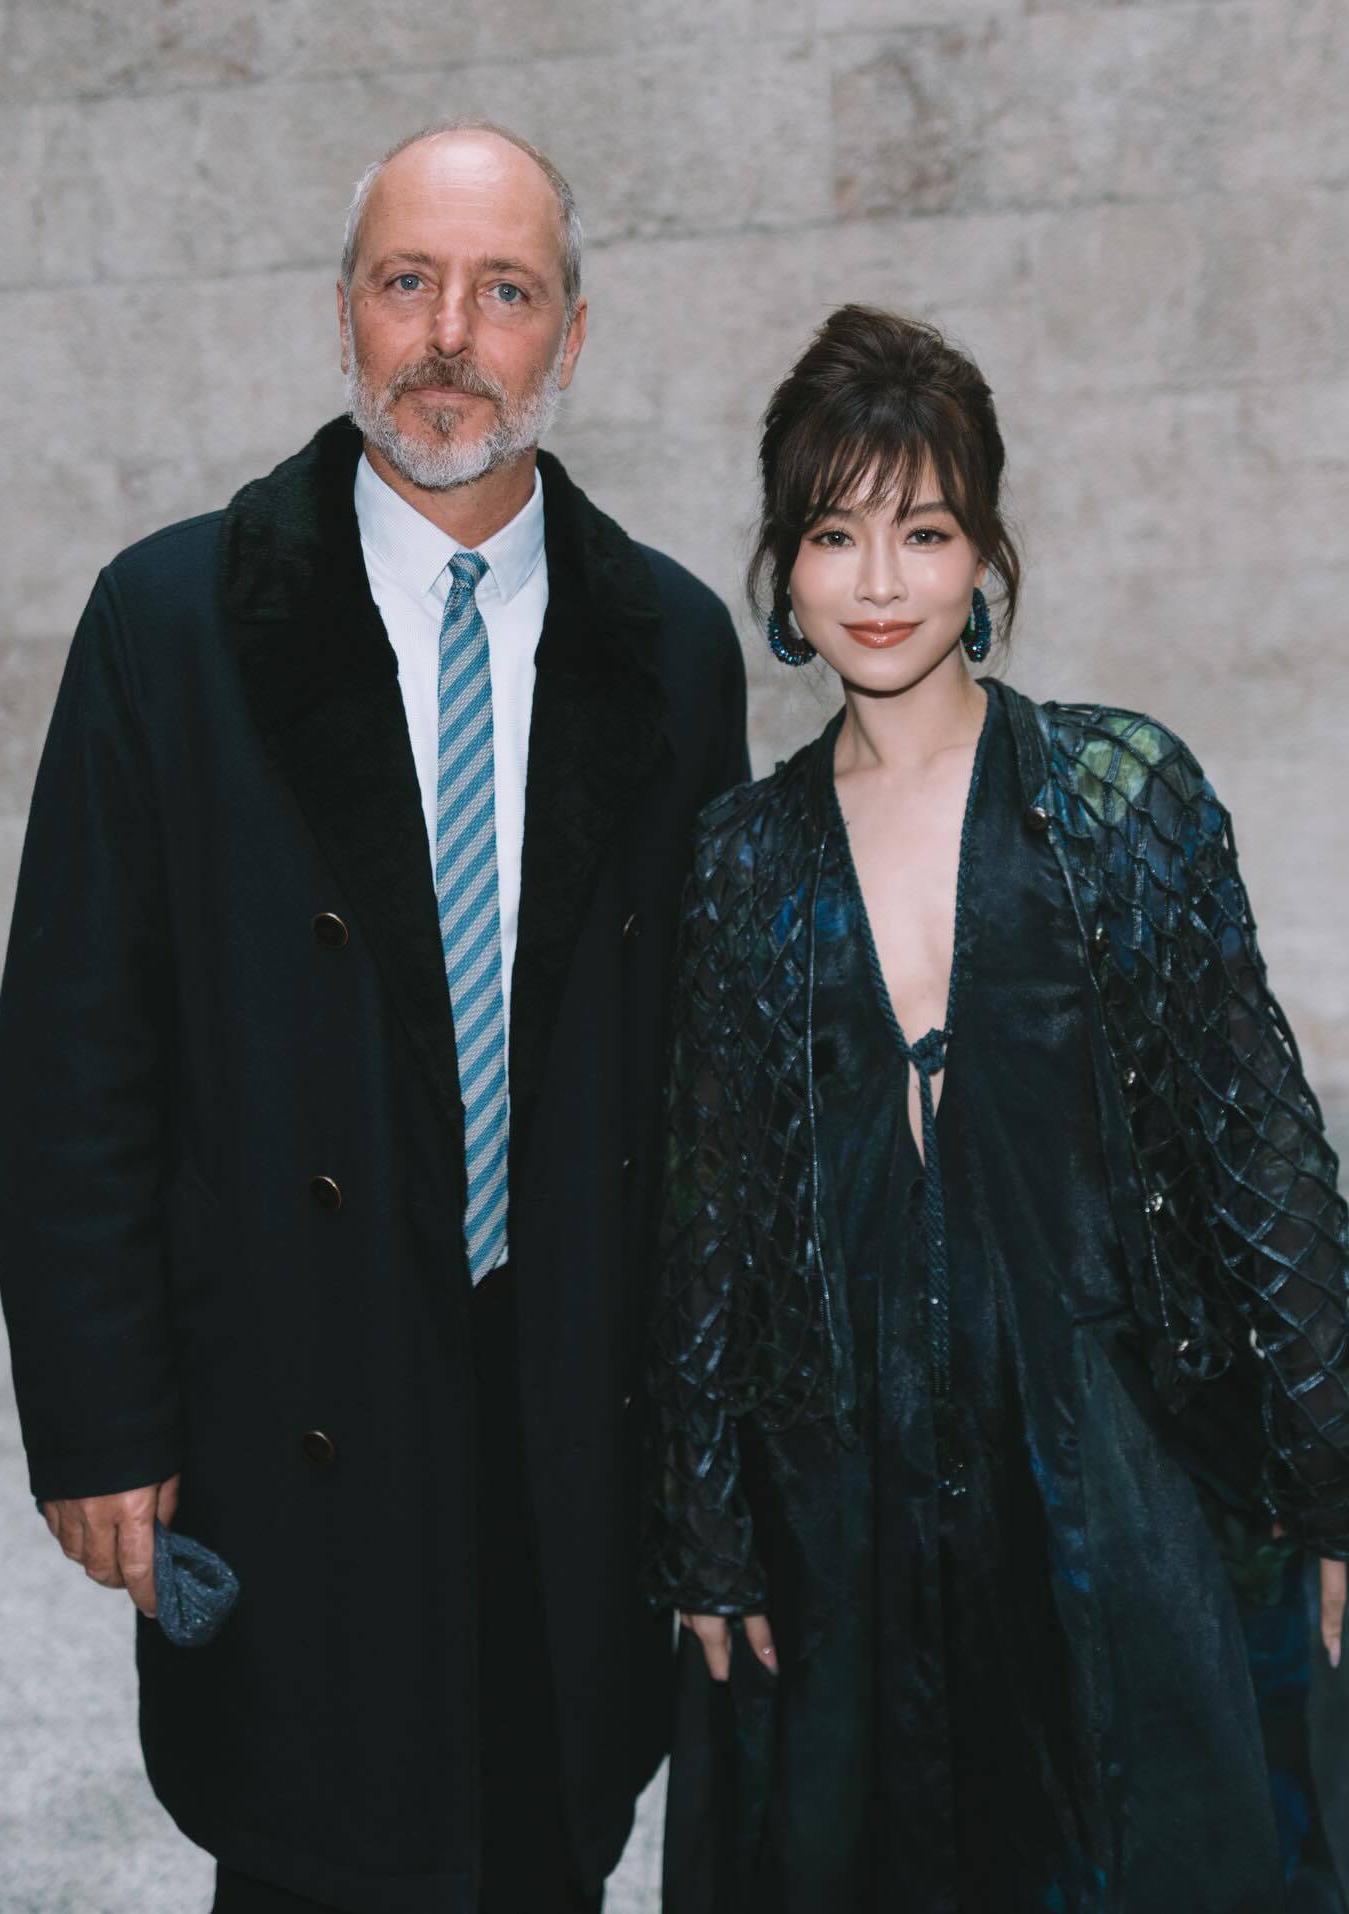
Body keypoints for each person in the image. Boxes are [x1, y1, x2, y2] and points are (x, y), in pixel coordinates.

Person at [0, 121, 747, 1914]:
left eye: (505, 291)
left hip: (568, 1401)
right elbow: (77, 1054)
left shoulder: (672, 645)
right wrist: (99, 1421)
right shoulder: (173, 623)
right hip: (289, 1397)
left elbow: (712, 1087)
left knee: (546, 1838)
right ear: (345, 313)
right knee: (307, 1846)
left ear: (572, 336)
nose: (449, 335)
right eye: (409, 281)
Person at [643, 304, 1349, 1913]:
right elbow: (711, 1212)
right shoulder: (741, 860)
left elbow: (1258, 1149)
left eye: (925, 529)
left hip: (1115, 1477)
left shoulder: (1122, 793)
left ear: (985, 550)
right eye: (835, 534)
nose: (879, 580)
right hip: (846, 1501)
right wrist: (707, 1523)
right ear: (785, 569)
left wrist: (1331, 1467)